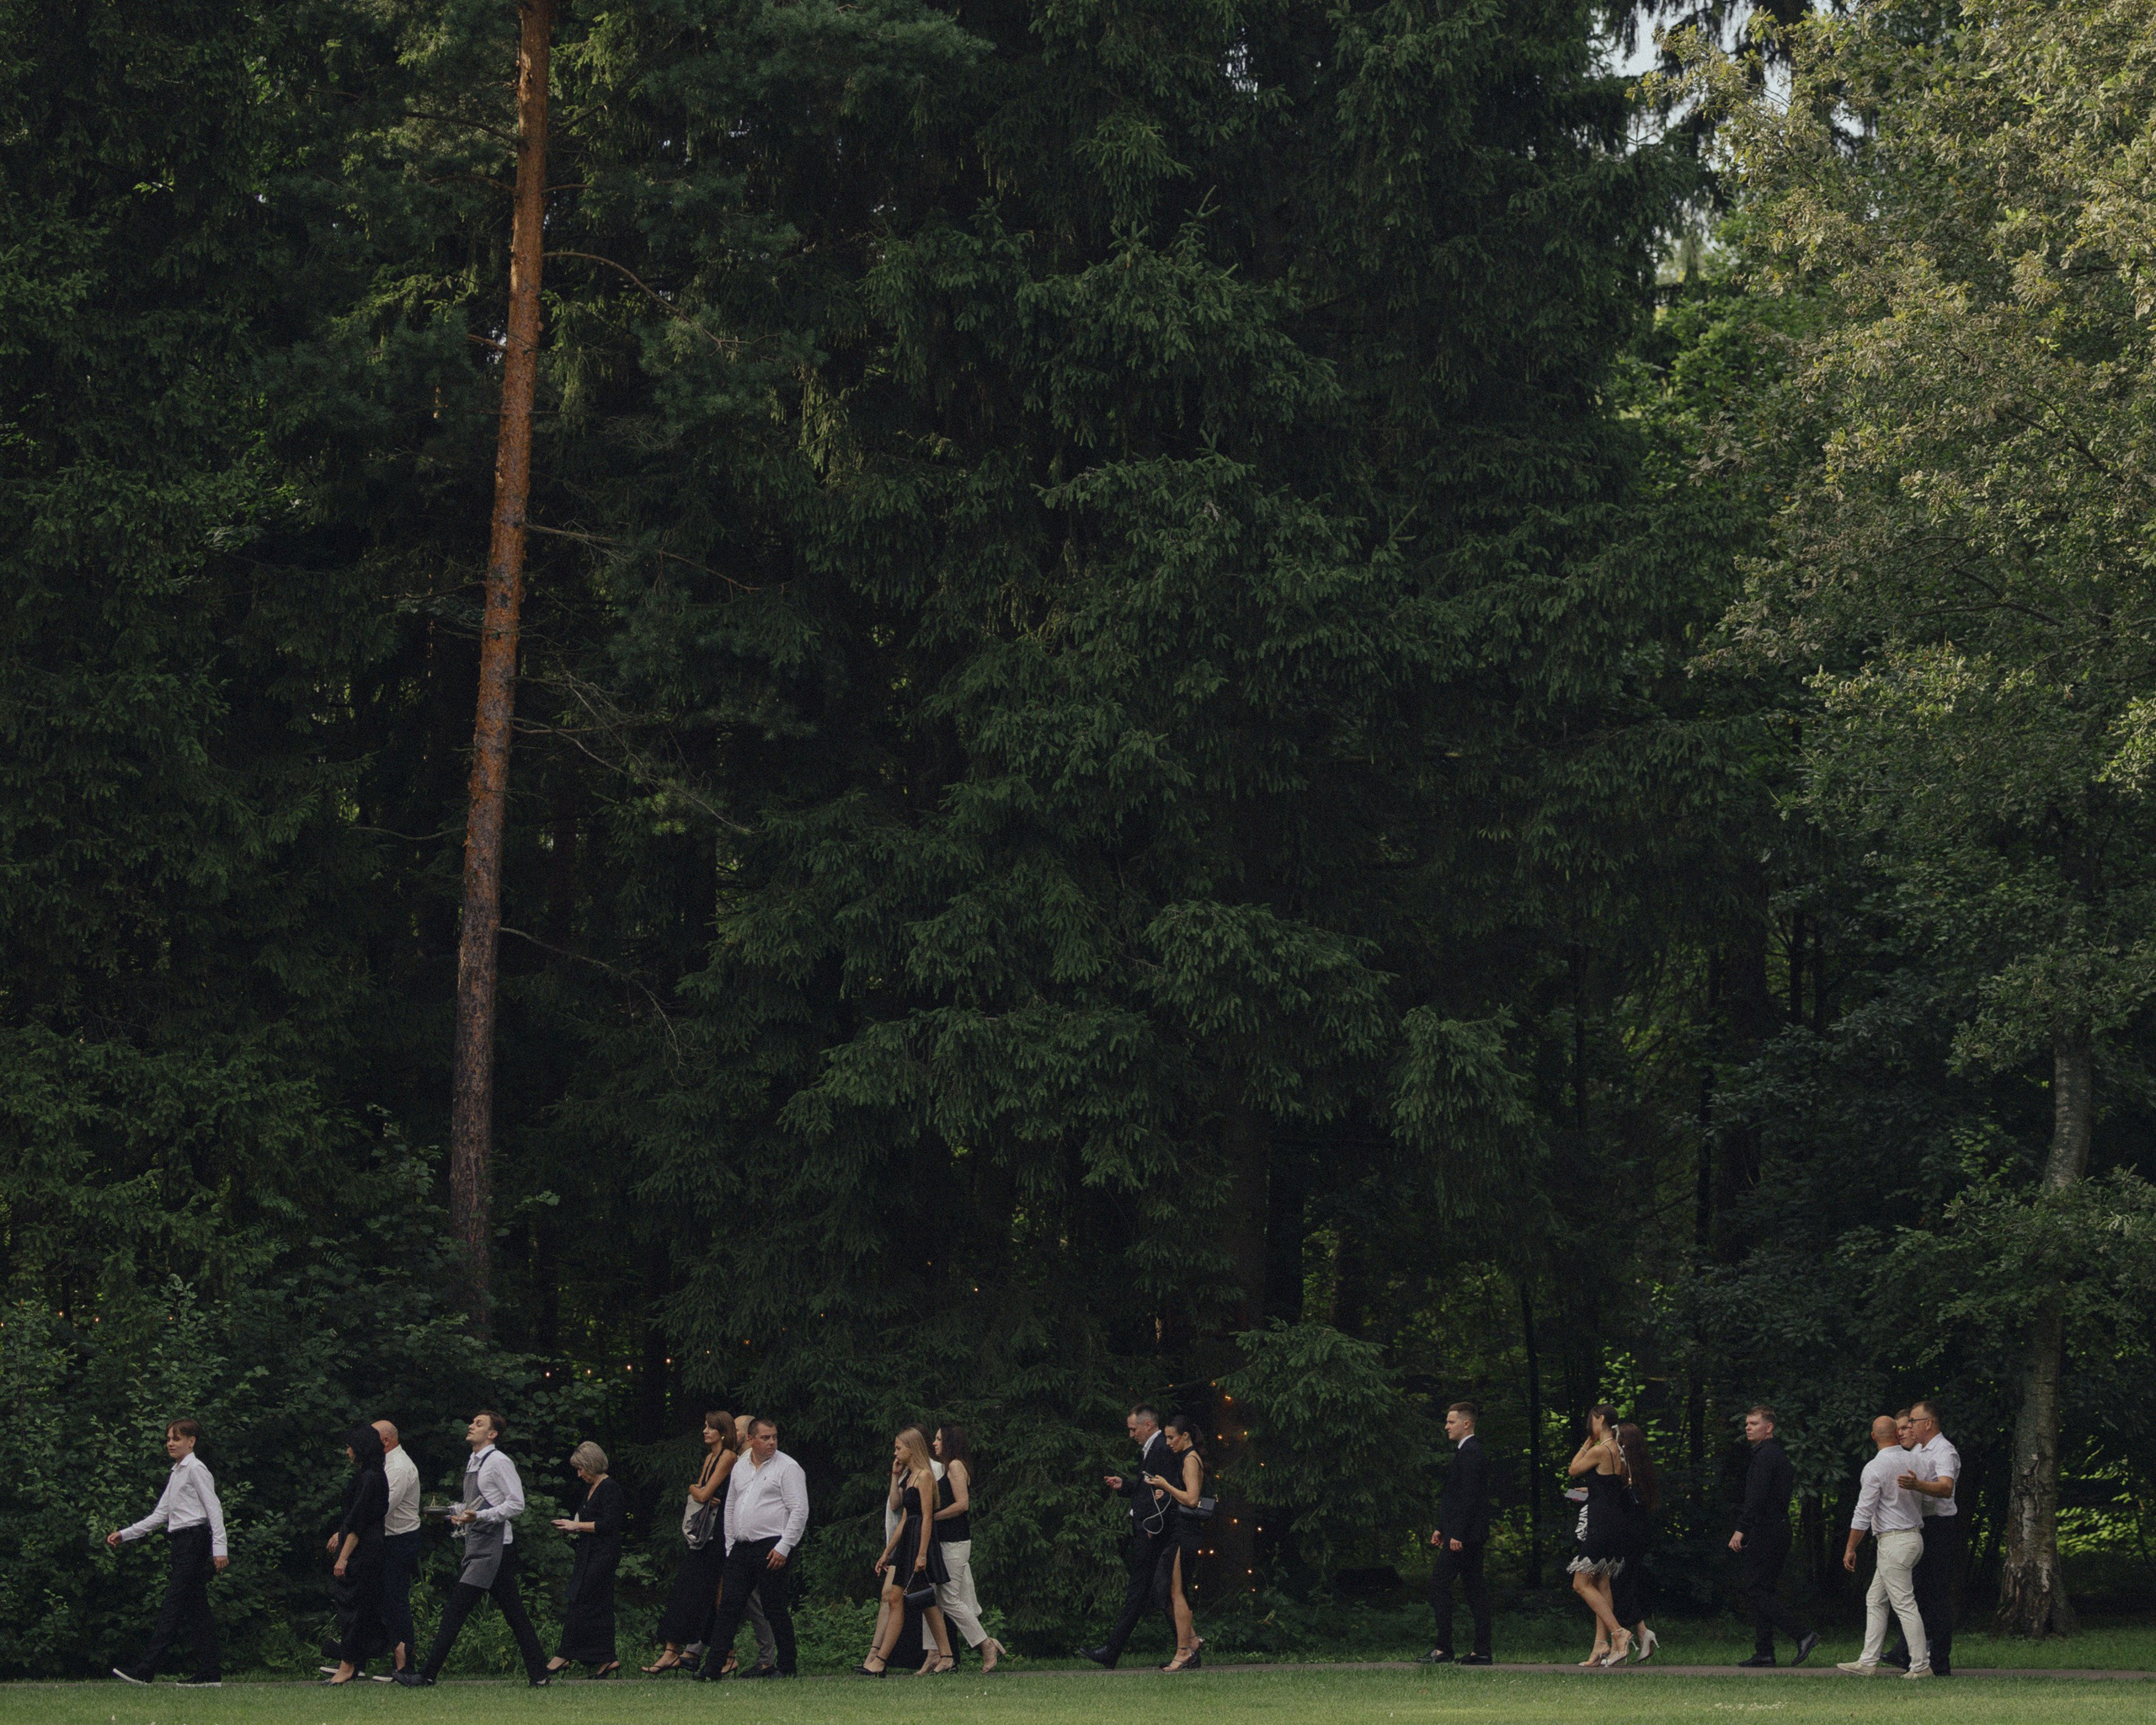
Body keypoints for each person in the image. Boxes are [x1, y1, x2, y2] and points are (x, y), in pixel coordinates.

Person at [395, 1409, 550, 1687]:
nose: (471, 1426)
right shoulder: (473, 1461)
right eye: (472, 1422)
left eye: (479, 1424)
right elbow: (475, 1504)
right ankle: (539, 1675)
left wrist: (478, 1516)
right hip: (482, 1546)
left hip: (494, 1549)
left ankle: (427, 1675)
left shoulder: (499, 1461)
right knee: (516, 1615)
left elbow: (517, 1504)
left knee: (455, 1611)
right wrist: (448, 1511)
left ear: (492, 1434)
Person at [107, 1417, 228, 1688]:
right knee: (197, 1610)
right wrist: (124, 1534)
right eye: (168, 1439)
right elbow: (160, 1515)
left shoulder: (196, 1469)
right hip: (181, 1544)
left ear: (191, 1441)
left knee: (173, 1606)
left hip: (194, 1542)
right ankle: (210, 1674)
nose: (170, 1443)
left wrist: (219, 1549)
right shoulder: (177, 1473)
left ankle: (145, 1671)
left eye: (176, 1438)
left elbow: (214, 1509)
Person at [701, 1414, 807, 1680]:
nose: (771, 1443)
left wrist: (785, 1547)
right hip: (741, 1545)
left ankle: (787, 1665)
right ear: (750, 1439)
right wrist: (729, 1546)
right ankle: (713, 1668)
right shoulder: (740, 1466)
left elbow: (799, 1510)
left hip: (773, 1544)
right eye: (765, 1438)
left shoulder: (787, 1467)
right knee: (728, 1607)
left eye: (774, 1437)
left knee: (773, 1605)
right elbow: (731, 1506)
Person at [1836, 1414, 1932, 1679]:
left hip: (1893, 1541)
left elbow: (1863, 1512)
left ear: (1873, 1436)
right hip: (1913, 1538)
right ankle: (1868, 1661)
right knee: (1876, 1599)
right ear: (1896, 1434)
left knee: (1904, 1603)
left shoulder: (1875, 1468)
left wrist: (1850, 1547)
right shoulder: (1915, 1460)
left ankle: (1921, 1666)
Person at [645, 1411, 741, 1674]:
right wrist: (698, 1492)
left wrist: (693, 1489)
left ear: (722, 1432)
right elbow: (702, 1493)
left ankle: (712, 1654)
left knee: (709, 1593)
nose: (704, 1431)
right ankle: (675, 1651)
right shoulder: (710, 1457)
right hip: (705, 1534)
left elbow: (703, 1492)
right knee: (692, 1590)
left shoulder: (727, 1457)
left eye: (710, 1427)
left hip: (718, 1534)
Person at [1081, 1403, 1172, 1669]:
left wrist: (1152, 1525)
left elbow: (1164, 1490)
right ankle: (1187, 1645)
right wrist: (1127, 1486)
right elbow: (1147, 1490)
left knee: (1144, 1591)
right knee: (1155, 1591)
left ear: (1147, 1425)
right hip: (1148, 1529)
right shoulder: (1152, 1450)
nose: (1131, 1435)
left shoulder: (1160, 1450)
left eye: (1134, 1429)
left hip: (1151, 1531)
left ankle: (1112, 1650)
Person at [1729, 1405, 1819, 1668]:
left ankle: (1802, 1634)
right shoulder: (1768, 1454)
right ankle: (1765, 1652)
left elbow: (1757, 1497)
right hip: (1773, 1527)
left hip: (1767, 1529)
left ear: (1769, 1427)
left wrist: (1742, 1527)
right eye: (1747, 1423)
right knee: (1763, 1588)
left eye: (1754, 1423)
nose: (1748, 1427)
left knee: (1756, 1589)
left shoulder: (1767, 1456)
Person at [859, 1429, 951, 1674]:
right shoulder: (908, 1477)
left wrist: (922, 1554)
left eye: (899, 1448)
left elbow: (928, 1517)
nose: (895, 1452)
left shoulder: (924, 1477)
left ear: (912, 1448)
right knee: (924, 1601)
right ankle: (946, 1655)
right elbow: (903, 1519)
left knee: (896, 1598)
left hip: (920, 1542)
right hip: (907, 1540)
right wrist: (887, 1552)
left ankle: (879, 1660)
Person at [1885, 1399, 1961, 1677]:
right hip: (1921, 1526)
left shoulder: (1943, 1451)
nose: (1909, 1426)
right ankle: (1913, 1654)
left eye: (1913, 1422)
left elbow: (1945, 1488)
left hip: (1939, 1527)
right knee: (1918, 1592)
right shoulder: (1918, 1449)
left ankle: (1939, 1660)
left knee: (1936, 1594)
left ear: (1928, 1423)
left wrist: (1916, 1485)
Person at [1418, 1401, 1492, 1666]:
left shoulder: (1471, 1452)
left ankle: (1444, 1648)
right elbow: (1455, 1496)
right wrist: (1442, 1527)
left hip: (1465, 1537)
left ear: (1466, 1423)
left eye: (1451, 1422)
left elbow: (1469, 1498)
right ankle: (1481, 1650)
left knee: (1440, 1584)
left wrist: (1456, 1533)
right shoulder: (1465, 1452)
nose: (1446, 1427)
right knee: (1474, 1589)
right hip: (1462, 1533)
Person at [323, 1423, 395, 1685]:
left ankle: (348, 1665)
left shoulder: (370, 1478)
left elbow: (359, 1522)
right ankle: (394, 1653)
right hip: (367, 1545)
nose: (347, 1451)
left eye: (350, 1447)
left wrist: (343, 1557)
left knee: (355, 1607)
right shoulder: (372, 1474)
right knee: (363, 1607)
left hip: (364, 1549)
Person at [548, 1441, 626, 1677]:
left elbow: (609, 1524)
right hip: (588, 1551)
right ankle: (606, 1658)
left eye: (582, 1468)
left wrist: (577, 1525)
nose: (579, 1474)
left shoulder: (610, 1488)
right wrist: (572, 1527)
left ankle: (564, 1654)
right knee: (599, 1605)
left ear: (592, 1464)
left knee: (581, 1601)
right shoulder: (591, 1489)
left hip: (603, 1554)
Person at [931, 1425, 1005, 1670]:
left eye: (939, 1439)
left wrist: (933, 1517)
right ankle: (940, 1655)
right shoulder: (947, 1467)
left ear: (950, 1442)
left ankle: (986, 1645)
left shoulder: (955, 1466)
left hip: (955, 1542)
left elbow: (963, 1504)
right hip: (946, 1541)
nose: (934, 1443)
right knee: (954, 1600)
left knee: (948, 1599)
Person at [1566, 1404, 1632, 1665]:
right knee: (1602, 1583)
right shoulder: (1619, 1451)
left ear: (1601, 1419)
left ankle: (1619, 1633)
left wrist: (1587, 1441)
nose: (1589, 1425)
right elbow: (1610, 1488)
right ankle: (1600, 1645)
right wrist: (1587, 1491)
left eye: (1591, 1420)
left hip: (1600, 1526)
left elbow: (1573, 1469)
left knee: (1580, 1584)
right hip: (1615, 1524)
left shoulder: (1600, 1450)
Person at [1145, 1413, 1210, 1671]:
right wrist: (1167, 1489)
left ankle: (1183, 1650)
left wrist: (1166, 1486)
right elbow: (1184, 1495)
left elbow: (1193, 1499)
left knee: (1178, 1591)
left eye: (1172, 1437)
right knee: (1169, 1590)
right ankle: (1191, 1641)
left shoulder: (1191, 1460)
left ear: (1185, 1437)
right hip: (1179, 1531)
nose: (1168, 1442)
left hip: (1186, 1533)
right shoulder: (1184, 1459)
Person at [1610, 1422, 1660, 1664]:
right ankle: (1642, 1632)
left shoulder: (1623, 1468)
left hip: (1624, 1534)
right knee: (1625, 1584)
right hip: (1639, 1534)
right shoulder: (1643, 1471)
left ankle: (1626, 1636)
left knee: (1615, 1586)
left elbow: (1615, 1502)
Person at [375, 1421, 421, 1677]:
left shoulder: (399, 1467)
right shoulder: (384, 1464)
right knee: (383, 1600)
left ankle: (404, 1665)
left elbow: (382, 1507)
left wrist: (348, 1532)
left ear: (386, 1441)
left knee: (396, 1601)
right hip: (387, 1539)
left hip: (400, 1540)